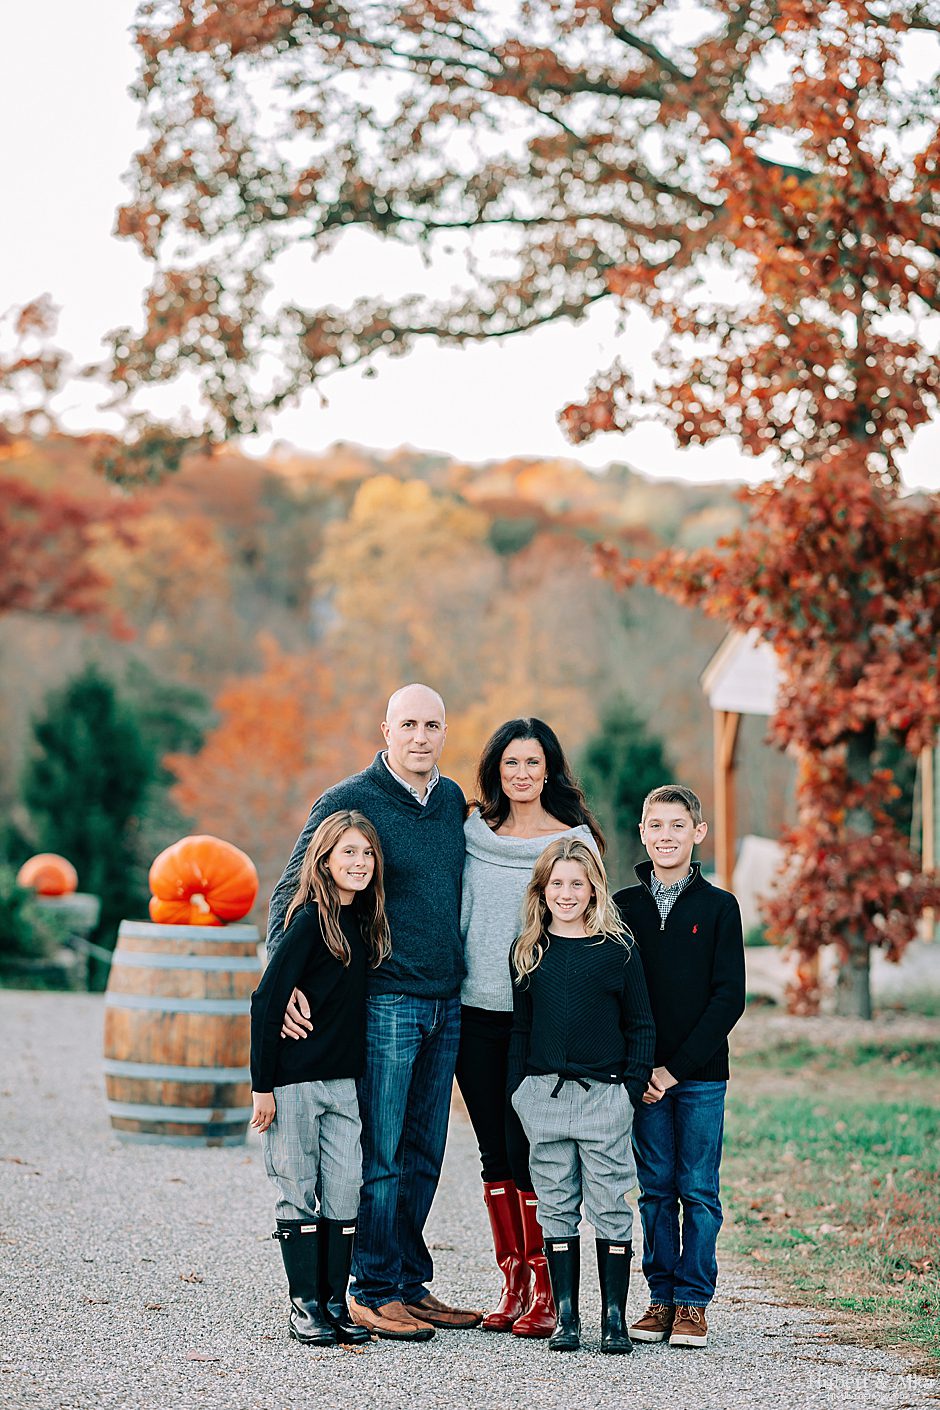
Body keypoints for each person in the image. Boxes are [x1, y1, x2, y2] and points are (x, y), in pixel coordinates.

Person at [265, 684, 481, 1341]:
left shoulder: (451, 801)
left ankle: (408, 1283)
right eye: (408, 724)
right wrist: (284, 983)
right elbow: (290, 890)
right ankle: (370, 1289)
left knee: (426, 1152)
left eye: (432, 725)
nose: (420, 736)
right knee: (381, 1154)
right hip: (386, 999)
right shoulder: (348, 799)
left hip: (446, 999)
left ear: (445, 732)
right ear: (386, 730)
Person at [456, 718, 604, 1337]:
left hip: (537, 1022)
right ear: (496, 770)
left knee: (530, 1149)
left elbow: (592, 931)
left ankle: (547, 1286)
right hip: (472, 1012)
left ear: (550, 771)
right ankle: (512, 1280)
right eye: (510, 763)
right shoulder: (470, 832)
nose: (521, 774)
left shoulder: (573, 842)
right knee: (492, 1148)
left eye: (533, 763)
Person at [508, 837, 655, 1355]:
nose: (566, 894)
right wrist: (519, 1091)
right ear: (542, 890)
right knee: (555, 1204)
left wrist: (629, 1092)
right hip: (543, 1097)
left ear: (594, 889)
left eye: (577, 883)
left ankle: (613, 1319)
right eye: (557, 884)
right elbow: (521, 1030)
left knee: (611, 1204)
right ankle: (566, 1318)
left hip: (604, 1097)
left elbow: (640, 1025)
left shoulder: (618, 949)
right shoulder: (528, 951)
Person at [250, 811, 390, 1347]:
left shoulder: (362, 920)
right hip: (295, 1083)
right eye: (348, 852)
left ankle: (334, 1302)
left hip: (343, 1084)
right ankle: (304, 1305)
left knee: (345, 1188)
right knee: (296, 1187)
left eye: (367, 853)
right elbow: (266, 1000)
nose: (359, 862)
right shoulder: (309, 920)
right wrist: (262, 1086)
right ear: (325, 860)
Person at [613, 784, 745, 1350]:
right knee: (654, 1191)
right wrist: (640, 1069)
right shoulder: (622, 907)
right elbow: (614, 992)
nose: (666, 836)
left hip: (701, 1077)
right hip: (642, 1078)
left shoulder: (719, 907)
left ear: (698, 833)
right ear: (642, 834)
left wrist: (675, 1070)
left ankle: (693, 1302)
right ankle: (661, 1297)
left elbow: (728, 998)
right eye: (656, 826)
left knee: (698, 1189)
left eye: (677, 825)